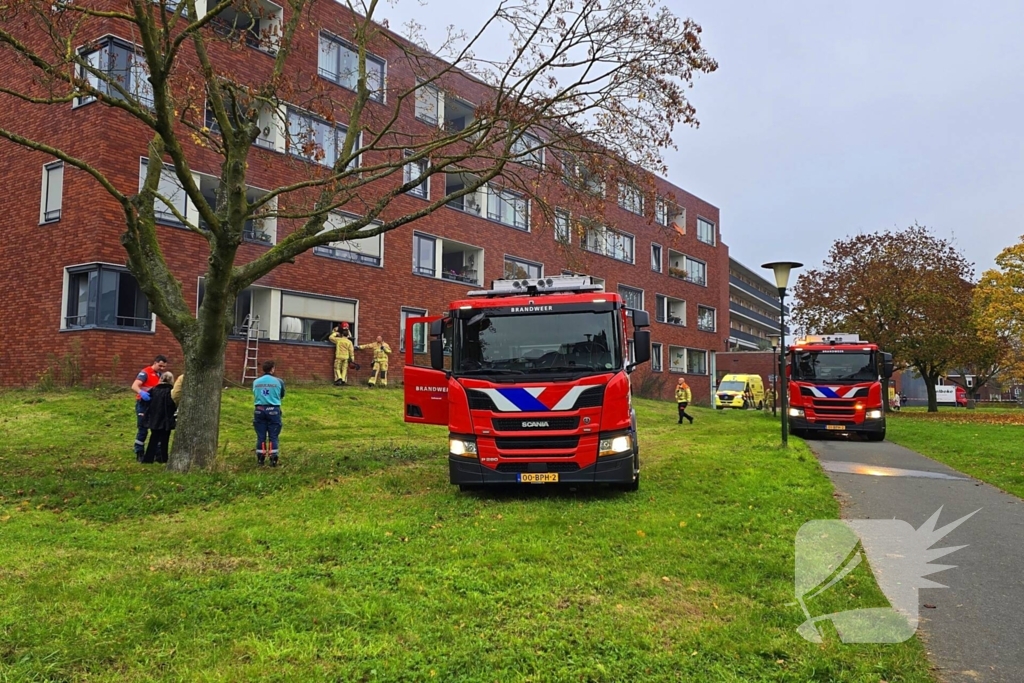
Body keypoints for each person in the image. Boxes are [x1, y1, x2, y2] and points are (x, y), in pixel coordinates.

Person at [130, 354, 168, 461]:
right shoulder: (145, 372)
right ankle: (139, 452)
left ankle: (155, 453)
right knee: (143, 428)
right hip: (143, 403)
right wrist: (141, 392)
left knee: (155, 428)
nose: (162, 368)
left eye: (164, 367)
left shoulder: (159, 375)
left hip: (154, 405)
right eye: (160, 366)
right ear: (155, 363)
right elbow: (134, 385)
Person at [253, 359, 285, 466]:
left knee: (261, 436)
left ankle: (260, 459)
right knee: (273, 436)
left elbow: (255, 394)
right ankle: (273, 458)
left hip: (259, 410)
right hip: (273, 410)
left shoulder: (256, 382)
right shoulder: (279, 381)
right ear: (272, 369)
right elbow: (282, 395)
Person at [142, 372, 177, 464]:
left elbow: (145, 401)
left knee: (153, 438)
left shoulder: (153, 390)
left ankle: (148, 458)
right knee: (165, 439)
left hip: (154, 418)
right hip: (166, 419)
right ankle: (163, 458)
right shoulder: (171, 391)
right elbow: (173, 404)